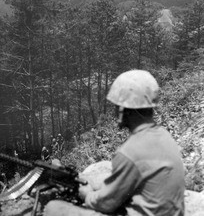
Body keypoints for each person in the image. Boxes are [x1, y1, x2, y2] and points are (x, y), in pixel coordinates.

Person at [44, 70, 185, 216]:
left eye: (116, 106)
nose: (114, 110)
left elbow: (106, 204)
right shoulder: (164, 135)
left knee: (53, 208)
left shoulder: (130, 151)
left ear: (123, 110)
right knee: (95, 180)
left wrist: (87, 195)